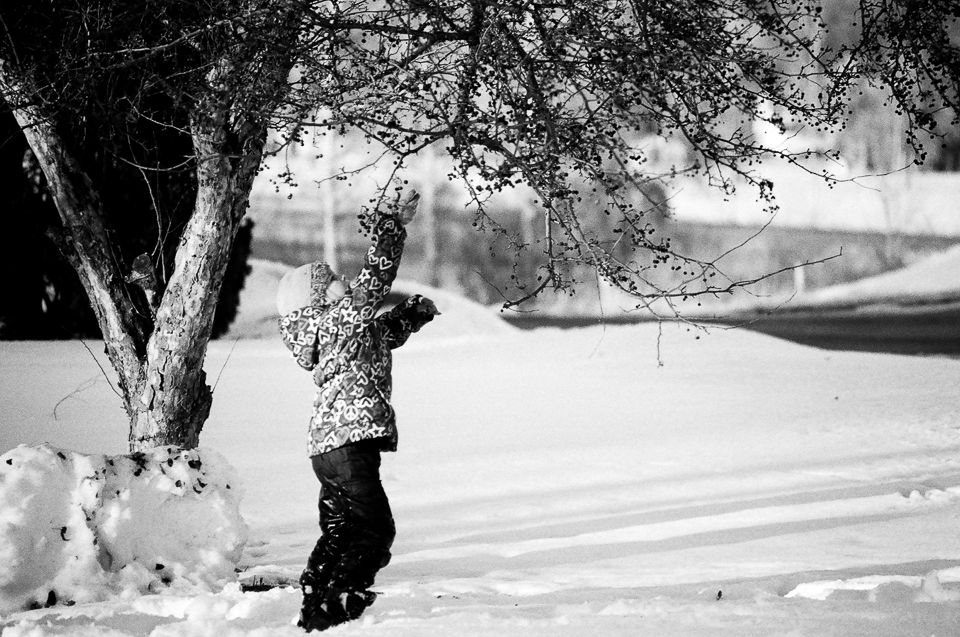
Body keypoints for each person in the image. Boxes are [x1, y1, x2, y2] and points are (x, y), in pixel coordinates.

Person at [276, 191, 439, 632]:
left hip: (329, 448)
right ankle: (339, 597)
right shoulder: (336, 319)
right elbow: (372, 286)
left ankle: (317, 598)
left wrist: (411, 314)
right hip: (348, 443)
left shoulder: (339, 328)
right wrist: (390, 227)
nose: (342, 279)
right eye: (330, 278)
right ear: (318, 299)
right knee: (373, 529)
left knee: (341, 529)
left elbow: (379, 334)